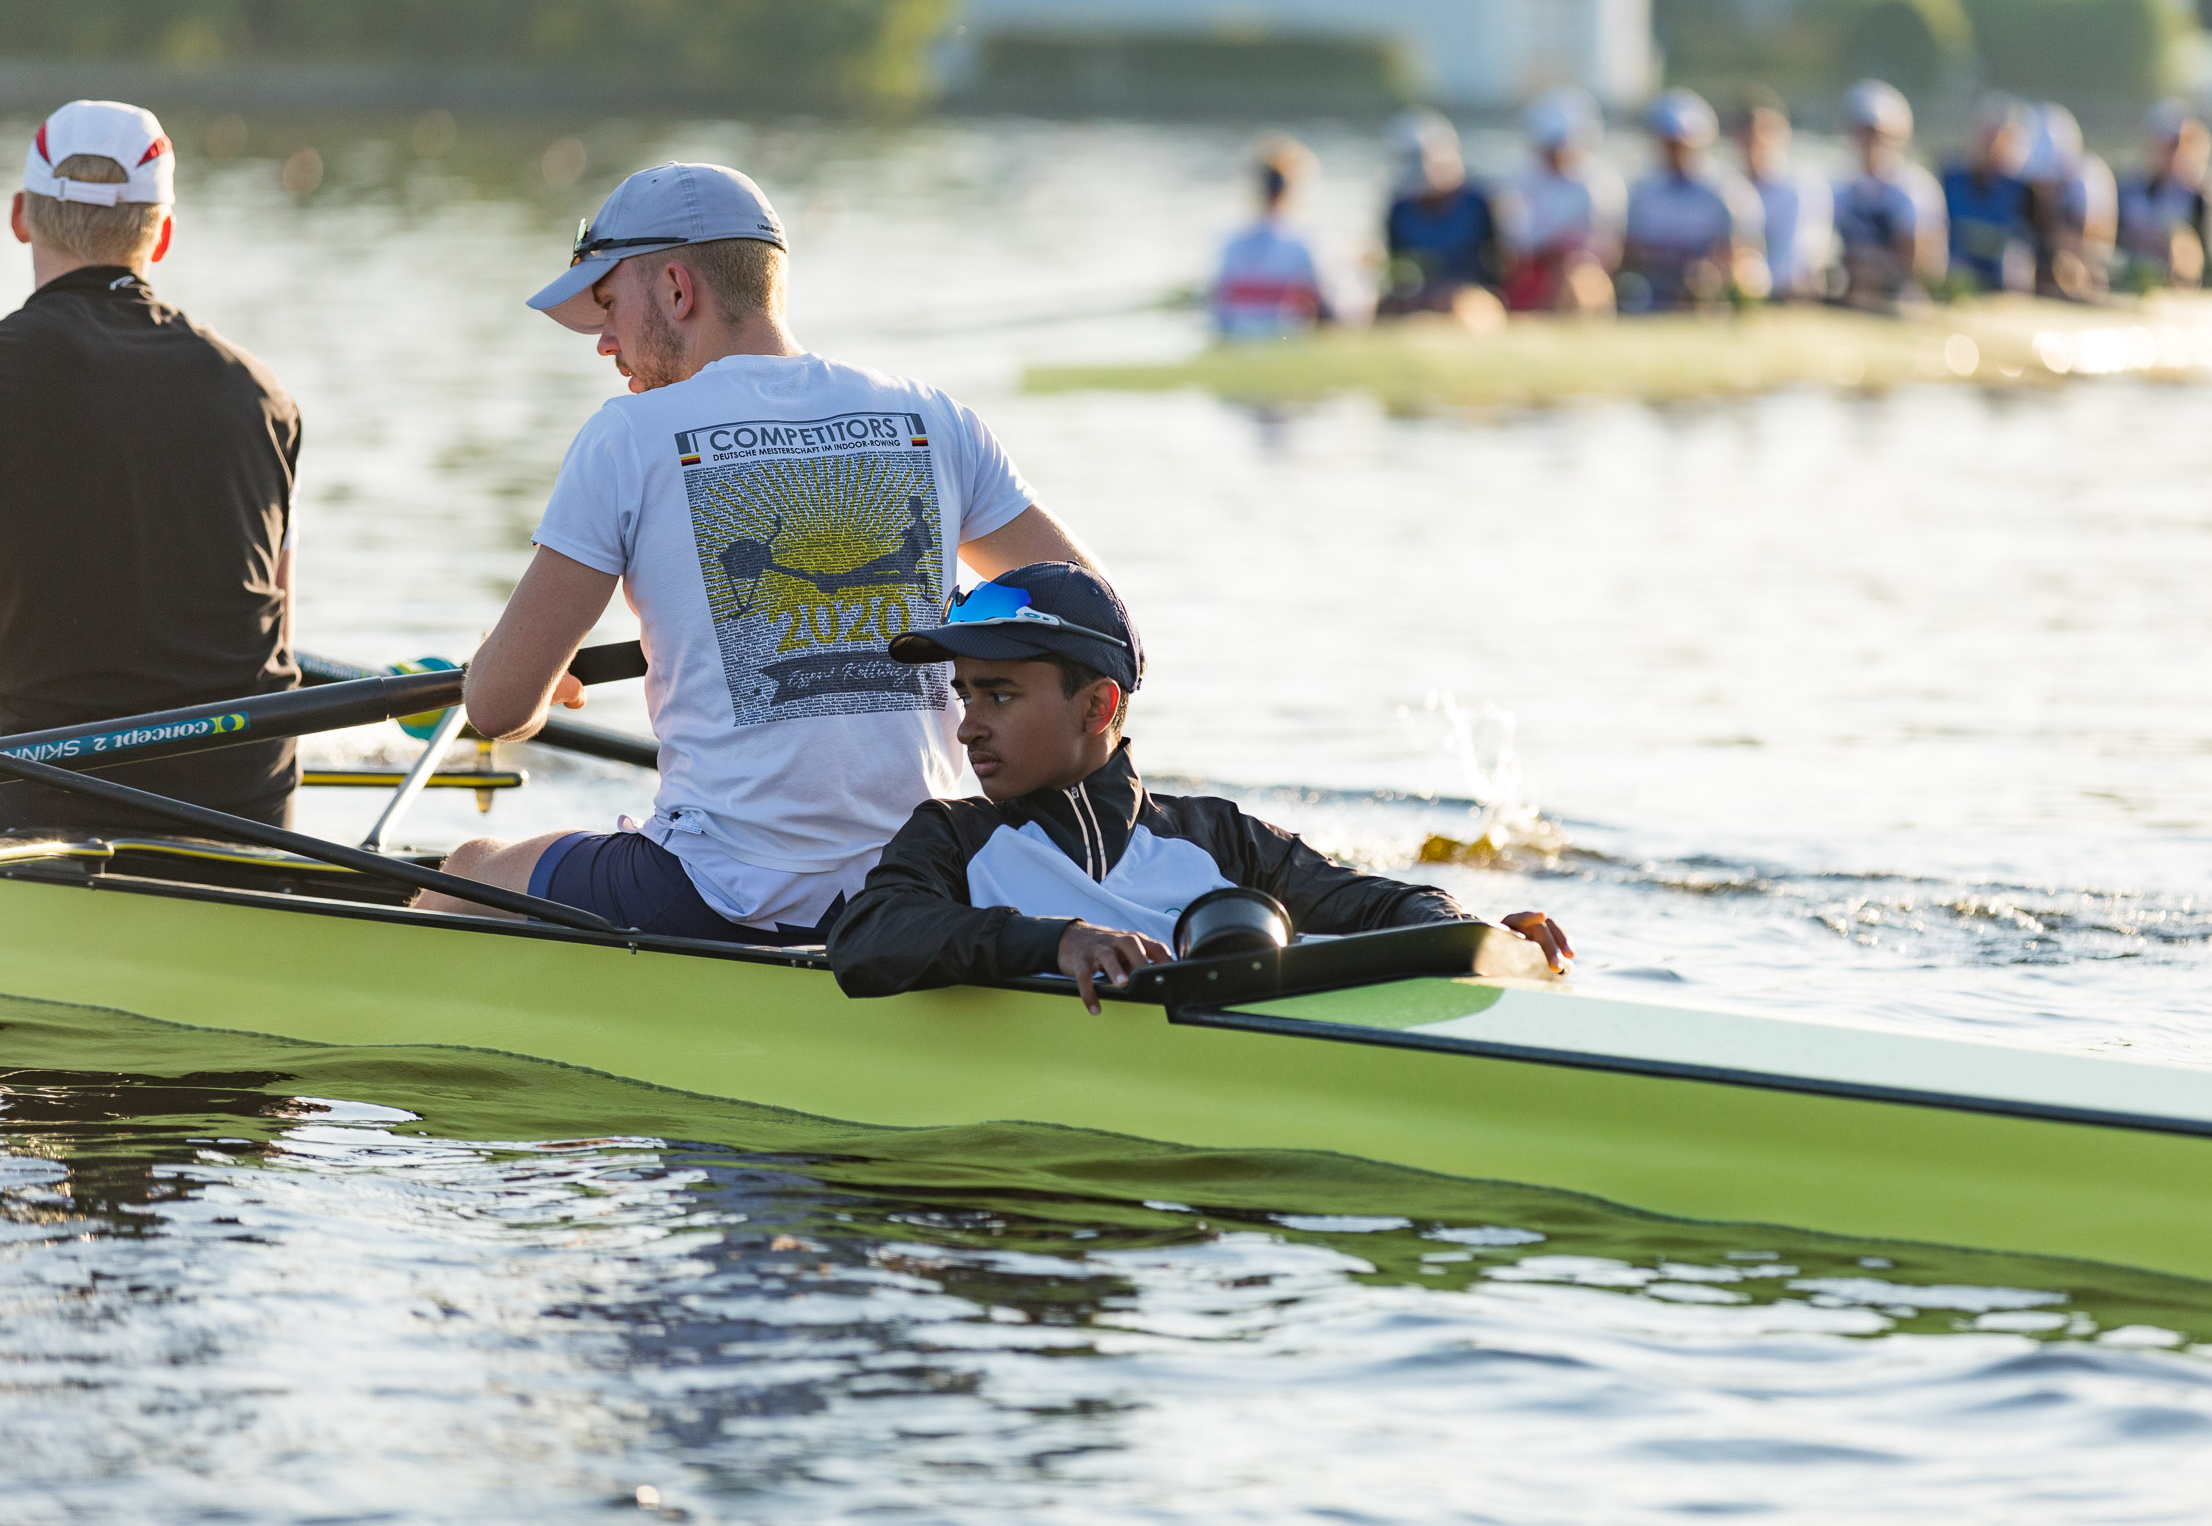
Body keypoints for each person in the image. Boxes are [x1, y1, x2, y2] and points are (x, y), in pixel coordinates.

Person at [416, 162, 1102, 944]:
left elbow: (497, 708)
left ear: (678, 288)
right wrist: (944, 624)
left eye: (609, 305)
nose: (604, 342)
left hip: (721, 891)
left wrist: (520, 672)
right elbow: (1090, 617)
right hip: (936, 876)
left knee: (467, 868)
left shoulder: (625, 438)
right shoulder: (934, 417)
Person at [828, 563, 1572, 1012]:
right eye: (964, 697)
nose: (967, 728)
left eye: (999, 696)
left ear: (1098, 706)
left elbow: (1377, 904)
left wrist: (1482, 936)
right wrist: (1060, 942)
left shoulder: (1220, 838)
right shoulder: (952, 838)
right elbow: (863, 942)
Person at [0, 100, 302, 836]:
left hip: (42, 805)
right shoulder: (263, 397)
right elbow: (277, 622)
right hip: (243, 815)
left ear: (20, 218)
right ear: (161, 234)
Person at [1620, 88, 1763, 311]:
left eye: (1681, 144)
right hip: (1655, 279)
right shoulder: (1643, 190)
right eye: (1669, 142)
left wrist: (1705, 265)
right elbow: (1629, 249)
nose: (1675, 151)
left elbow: (1742, 250)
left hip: (1710, 280)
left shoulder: (1728, 190)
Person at [1498, 86, 1623, 315]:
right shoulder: (1519, 182)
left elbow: (1607, 250)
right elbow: (1516, 243)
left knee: (1578, 278)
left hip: (1583, 274)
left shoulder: (1601, 183)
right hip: (1534, 271)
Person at [1378, 108, 1503, 320]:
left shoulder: (1479, 202)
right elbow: (1398, 268)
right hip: (1419, 296)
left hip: (1471, 295)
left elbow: (1500, 267)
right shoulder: (1400, 209)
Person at [1831, 79, 1946, 309]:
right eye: (1863, 131)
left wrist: (1865, 265)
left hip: (1901, 299)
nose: (1870, 142)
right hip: (1853, 296)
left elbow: (1922, 265)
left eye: (1877, 133)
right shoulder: (1839, 187)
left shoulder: (1917, 189)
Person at [1210, 137, 1334, 338]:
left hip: (1237, 338)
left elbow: (1219, 310)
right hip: (1284, 338)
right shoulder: (1304, 242)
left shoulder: (1229, 243)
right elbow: (1326, 308)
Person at [1938, 94, 2047, 295]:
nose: (1991, 144)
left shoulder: (2023, 190)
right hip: (1955, 277)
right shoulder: (1949, 179)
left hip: (2001, 282)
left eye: (1999, 137)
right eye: (1987, 135)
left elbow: (2033, 246)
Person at [1730, 89, 1833, 303]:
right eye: (1747, 135)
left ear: (1781, 133)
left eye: (1763, 133)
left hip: (1789, 295)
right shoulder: (1728, 188)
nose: (1755, 143)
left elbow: (1797, 258)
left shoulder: (1803, 188)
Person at [2117, 102, 2212, 290]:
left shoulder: (2200, 194)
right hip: (2133, 275)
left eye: (2178, 144)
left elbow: (2208, 255)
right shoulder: (2126, 187)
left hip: (2180, 282)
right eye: (2167, 145)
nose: (2173, 152)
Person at [2024, 101, 2115, 300]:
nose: (2043, 187)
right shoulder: (2027, 182)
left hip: (2089, 279)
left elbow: (2092, 242)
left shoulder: (2091, 178)